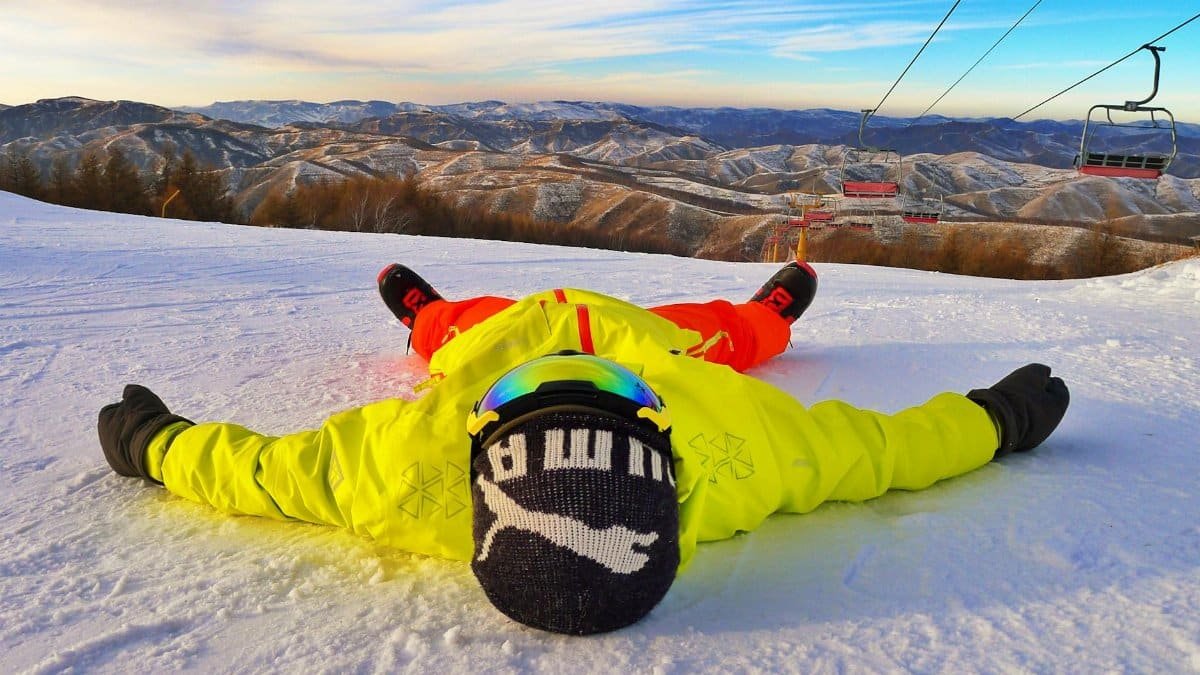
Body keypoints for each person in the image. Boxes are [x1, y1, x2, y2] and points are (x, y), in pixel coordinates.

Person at [99, 261, 1069, 635]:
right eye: (614, 404)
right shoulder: (732, 444)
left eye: (527, 406)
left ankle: (422, 311)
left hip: (504, 335)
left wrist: (157, 444)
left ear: (479, 446)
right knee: (730, 336)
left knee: (451, 337)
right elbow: (886, 450)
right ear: (663, 444)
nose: (570, 369)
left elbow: (265, 471)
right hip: (647, 337)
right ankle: (769, 308)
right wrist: (997, 419)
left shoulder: (412, 465)